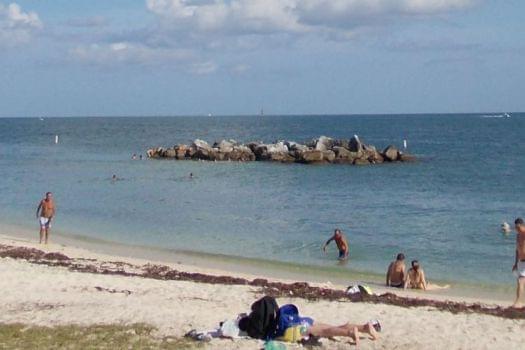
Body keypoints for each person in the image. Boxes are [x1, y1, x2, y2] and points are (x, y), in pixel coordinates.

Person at [512, 217, 525, 307]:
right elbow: (517, 250)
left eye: (518, 227)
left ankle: (518, 302)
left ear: (521, 225)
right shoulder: (518, 235)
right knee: (520, 282)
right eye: (516, 227)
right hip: (520, 262)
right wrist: (515, 263)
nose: (516, 229)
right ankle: (519, 301)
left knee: (521, 281)